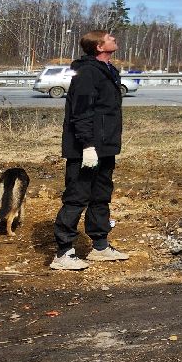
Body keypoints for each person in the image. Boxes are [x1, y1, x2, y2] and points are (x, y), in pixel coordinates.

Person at [50, 30, 130, 271]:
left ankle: (100, 247)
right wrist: (87, 145)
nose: (114, 38)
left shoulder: (109, 70)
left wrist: (103, 146)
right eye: (109, 37)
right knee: (77, 197)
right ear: (98, 46)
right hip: (85, 148)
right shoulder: (86, 72)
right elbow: (81, 111)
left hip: (104, 147)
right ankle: (63, 253)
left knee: (101, 196)